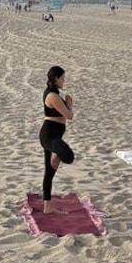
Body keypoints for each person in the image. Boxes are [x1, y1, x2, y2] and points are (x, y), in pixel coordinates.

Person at [39, 66, 76, 215]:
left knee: (49, 172)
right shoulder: (52, 96)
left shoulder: (55, 93)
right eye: (62, 78)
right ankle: (56, 153)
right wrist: (70, 105)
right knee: (68, 156)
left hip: (54, 135)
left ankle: (47, 206)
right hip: (49, 136)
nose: (64, 81)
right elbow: (68, 115)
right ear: (55, 79)